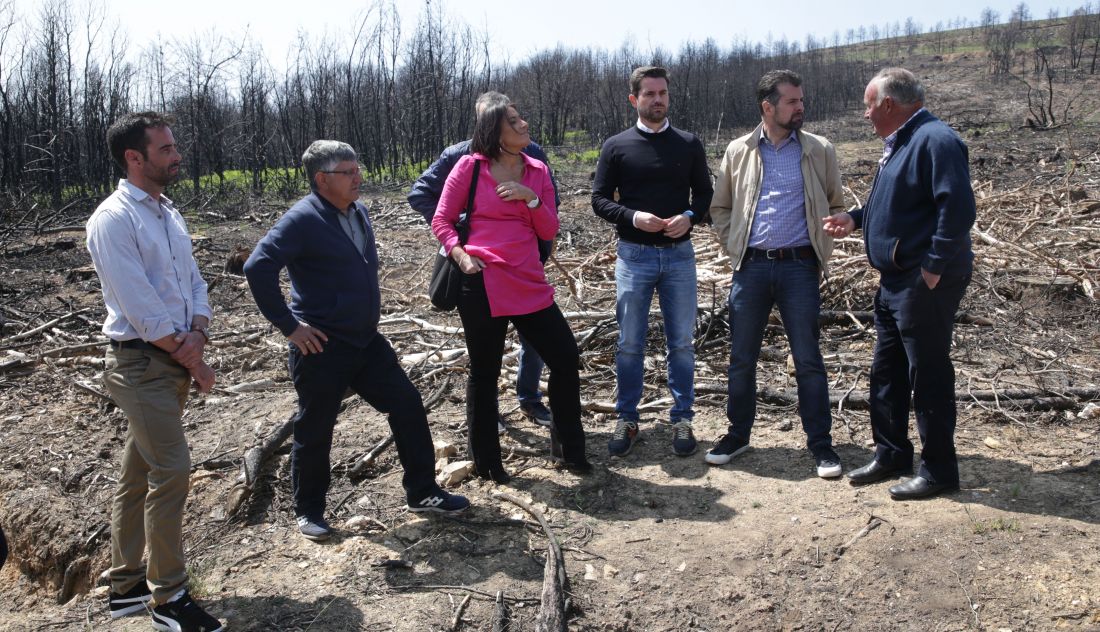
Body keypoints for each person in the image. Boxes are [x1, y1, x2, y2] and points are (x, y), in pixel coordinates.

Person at [244, 140, 469, 542]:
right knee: (316, 426)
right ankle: (309, 510)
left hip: (365, 340)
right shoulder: (302, 219)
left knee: (407, 404)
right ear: (321, 179)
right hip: (321, 344)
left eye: (357, 168)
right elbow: (257, 266)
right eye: (347, 172)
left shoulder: (358, 210)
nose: (357, 177)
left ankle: (422, 492)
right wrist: (289, 326)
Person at [85, 112, 223, 631]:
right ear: (134, 158)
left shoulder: (168, 214)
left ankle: (124, 589)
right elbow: (140, 308)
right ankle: (169, 600)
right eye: (165, 149)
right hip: (141, 365)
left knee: (140, 471)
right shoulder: (113, 220)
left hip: (171, 361)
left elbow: (194, 283)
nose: (177, 155)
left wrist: (199, 332)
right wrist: (196, 359)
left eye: (173, 146)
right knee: (172, 471)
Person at [823, 68, 976, 500]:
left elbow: (959, 208)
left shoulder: (936, 140)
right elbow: (888, 202)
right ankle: (891, 452)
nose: (866, 114)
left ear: (889, 104)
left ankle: (939, 470)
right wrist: (855, 218)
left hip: (923, 280)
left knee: (927, 373)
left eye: (869, 105)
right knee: (886, 371)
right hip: (895, 279)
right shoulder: (901, 143)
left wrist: (933, 265)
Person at [432, 93, 590, 482]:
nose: (524, 125)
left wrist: (532, 199)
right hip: (481, 283)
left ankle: (572, 451)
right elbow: (442, 220)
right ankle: (488, 463)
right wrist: (461, 256)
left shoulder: (536, 170)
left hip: (527, 282)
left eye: (522, 119)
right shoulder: (469, 168)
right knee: (484, 373)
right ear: (496, 133)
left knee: (566, 359)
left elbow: (550, 230)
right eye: (514, 122)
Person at [707, 70, 845, 478]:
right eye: (791, 102)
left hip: (800, 267)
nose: (800, 107)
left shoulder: (820, 149)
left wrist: (828, 235)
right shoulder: (739, 150)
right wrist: (734, 243)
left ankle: (821, 445)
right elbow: (720, 208)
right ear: (768, 107)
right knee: (741, 358)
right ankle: (738, 435)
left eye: (801, 100)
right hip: (750, 268)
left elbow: (836, 203)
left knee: (808, 358)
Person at [408, 91, 561, 431]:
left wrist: (538, 240)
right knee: (485, 355)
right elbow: (421, 194)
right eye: (486, 118)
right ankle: (488, 419)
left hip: (526, 263)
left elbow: (551, 204)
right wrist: (464, 232)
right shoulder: (460, 156)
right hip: (478, 268)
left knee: (537, 341)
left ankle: (530, 399)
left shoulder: (531, 152)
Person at [591, 66, 713, 458]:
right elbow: (599, 200)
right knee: (629, 344)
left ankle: (682, 419)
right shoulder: (616, 145)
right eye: (649, 94)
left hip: (679, 257)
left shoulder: (689, 144)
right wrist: (632, 216)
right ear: (634, 99)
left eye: (662, 93)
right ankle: (627, 419)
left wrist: (690, 218)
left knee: (681, 343)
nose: (657, 99)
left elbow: (706, 197)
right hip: (634, 255)